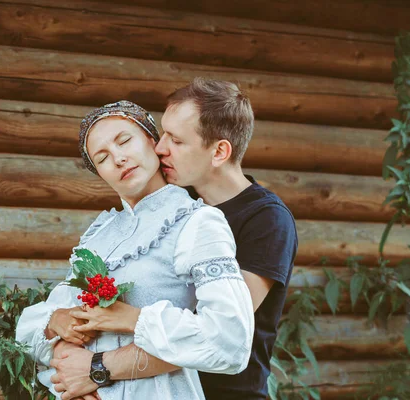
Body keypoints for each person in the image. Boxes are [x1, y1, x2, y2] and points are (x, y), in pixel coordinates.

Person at [47, 80, 298, 400]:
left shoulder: (266, 221)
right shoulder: (171, 204)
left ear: (219, 151)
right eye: (162, 133)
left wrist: (98, 369)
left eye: (176, 140)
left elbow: (214, 334)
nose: (160, 147)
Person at [15, 100, 255, 400]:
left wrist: (133, 320)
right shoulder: (98, 236)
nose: (118, 158)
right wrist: (56, 325)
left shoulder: (196, 221)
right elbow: (31, 336)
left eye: (124, 141)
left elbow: (230, 342)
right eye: (101, 158)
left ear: (153, 141)